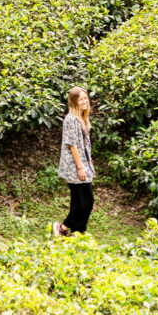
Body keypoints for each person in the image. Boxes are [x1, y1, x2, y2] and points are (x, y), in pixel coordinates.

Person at [51, 87, 94, 238]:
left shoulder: (82, 118)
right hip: (75, 167)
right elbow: (73, 146)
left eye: (85, 98)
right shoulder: (71, 119)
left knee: (78, 202)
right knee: (87, 201)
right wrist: (80, 168)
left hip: (82, 165)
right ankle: (63, 227)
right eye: (80, 99)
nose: (84, 101)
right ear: (74, 102)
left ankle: (76, 233)